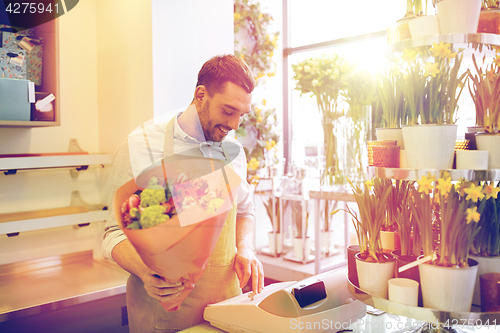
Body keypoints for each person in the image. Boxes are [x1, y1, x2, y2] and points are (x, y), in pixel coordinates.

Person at [102, 54, 264, 332]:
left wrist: (245, 247)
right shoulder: (143, 145)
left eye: (242, 114)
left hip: (227, 311)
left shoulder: (232, 152)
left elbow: (245, 212)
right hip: (164, 317)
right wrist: (145, 272)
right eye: (228, 111)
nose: (236, 125)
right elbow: (114, 234)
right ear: (201, 95)